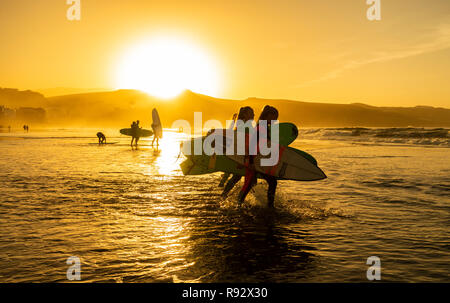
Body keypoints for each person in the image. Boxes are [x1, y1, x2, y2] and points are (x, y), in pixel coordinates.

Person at [238, 105, 279, 208]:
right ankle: (269, 206)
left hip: (258, 159)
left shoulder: (264, 126)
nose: (276, 119)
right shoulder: (261, 127)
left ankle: (239, 203)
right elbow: (252, 144)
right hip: (255, 160)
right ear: (268, 115)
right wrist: (251, 162)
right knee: (269, 182)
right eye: (274, 117)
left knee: (252, 183)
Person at [220, 107, 255, 198]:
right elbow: (240, 142)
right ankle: (236, 197)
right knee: (240, 177)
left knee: (238, 177)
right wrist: (241, 159)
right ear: (245, 115)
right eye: (251, 113)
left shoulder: (245, 124)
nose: (253, 115)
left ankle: (227, 194)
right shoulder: (243, 125)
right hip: (242, 156)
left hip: (243, 156)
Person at [218, 113, 238, 187]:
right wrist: (233, 119)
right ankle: (222, 183)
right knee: (229, 170)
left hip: (231, 152)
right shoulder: (236, 129)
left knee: (229, 171)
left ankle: (222, 183)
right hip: (230, 152)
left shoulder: (236, 129)